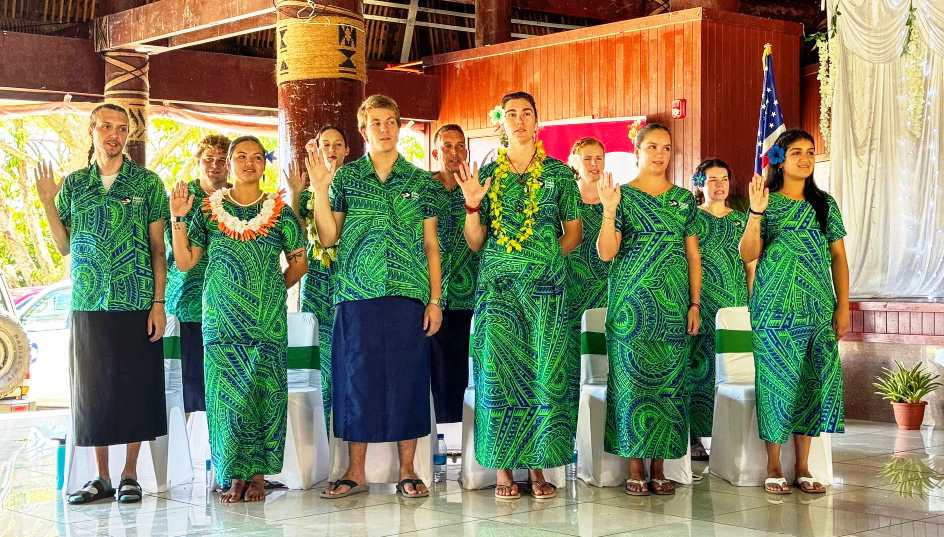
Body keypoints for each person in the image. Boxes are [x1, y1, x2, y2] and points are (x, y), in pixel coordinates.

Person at [307, 94, 443, 499]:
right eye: (375, 123)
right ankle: (355, 470)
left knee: (408, 380)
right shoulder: (346, 179)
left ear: (399, 126)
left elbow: (432, 245)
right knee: (356, 381)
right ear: (363, 131)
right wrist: (318, 189)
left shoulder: (421, 182)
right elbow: (329, 236)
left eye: (390, 121)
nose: (383, 129)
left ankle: (408, 469)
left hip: (408, 294)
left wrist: (436, 300)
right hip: (356, 293)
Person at [35, 103, 169, 504]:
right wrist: (46, 201)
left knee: (136, 387)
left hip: (136, 301)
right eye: (107, 126)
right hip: (88, 302)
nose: (114, 134)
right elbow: (63, 246)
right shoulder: (74, 185)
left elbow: (158, 250)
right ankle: (102, 477)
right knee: (94, 391)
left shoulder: (147, 183)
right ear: (91, 130)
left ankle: (130, 474)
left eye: (122, 128)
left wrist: (158, 303)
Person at [456, 91, 582, 500]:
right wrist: (472, 206)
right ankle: (504, 472)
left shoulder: (560, 174)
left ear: (537, 120)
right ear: (502, 122)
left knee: (543, 374)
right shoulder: (488, 172)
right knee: (498, 376)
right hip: (498, 291)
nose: (520, 120)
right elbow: (475, 243)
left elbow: (574, 232)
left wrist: (541, 261)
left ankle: (539, 467)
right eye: (512, 114)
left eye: (527, 112)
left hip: (546, 292)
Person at [170, 136, 307, 503]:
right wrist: (178, 219)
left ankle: (258, 476)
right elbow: (185, 262)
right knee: (225, 398)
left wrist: (272, 290)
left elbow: (299, 261)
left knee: (264, 394)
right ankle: (233, 476)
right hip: (220, 320)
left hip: (266, 323)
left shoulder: (280, 211)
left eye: (257, 157)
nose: (249, 163)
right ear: (229, 164)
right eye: (241, 157)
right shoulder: (207, 210)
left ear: (265, 164)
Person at [739, 129, 849, 495]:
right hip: (774, 308)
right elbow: (748, 253)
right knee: (777, 383)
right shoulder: (765, 201)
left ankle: (803, 465)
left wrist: (843, 305)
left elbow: (838, 257)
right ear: (780, 161)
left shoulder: (825, 204)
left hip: (818, 307)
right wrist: (755, 212)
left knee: (811, 383)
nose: (805, 158)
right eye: (797, 152)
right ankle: (773, 463)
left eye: (810, 152)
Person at [596, 122, 701, 496]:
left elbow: (692, 254)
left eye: (667, 148)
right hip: (630, 306)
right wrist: (608, 211)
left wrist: (694, 303)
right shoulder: (620, 196)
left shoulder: (685, 199)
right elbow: (606, 252)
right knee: (631, 383)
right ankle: (634, 466)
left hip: (673, 305)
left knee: (670, 384)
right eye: (653, 147)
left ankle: (660, 465)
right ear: (637, 151)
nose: (660, 154)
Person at [687, 158, 753, 460]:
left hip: (735, 303)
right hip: (701, 303)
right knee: (698, 370)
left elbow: (750, 265)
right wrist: (692, 303)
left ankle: (729, 435)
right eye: (712, 179)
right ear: (701, 184)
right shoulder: (691, 219)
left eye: (724, 178)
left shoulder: (742, 220)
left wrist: (751, 305)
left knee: (732, 368)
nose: (719, 185)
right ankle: (694, 437)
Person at [287, 125, 351, 433]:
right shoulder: (309, 192)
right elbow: (297, 233)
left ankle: (348, 428)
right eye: (326, 144)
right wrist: (297, 191)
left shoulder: (354, 185)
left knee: (350, 355)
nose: (332, 149)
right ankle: (322, 433)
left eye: (338, 144)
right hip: (316, 282)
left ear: (347, 150)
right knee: (322, 358)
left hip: (348, 278)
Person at [165, 134, 231, 417]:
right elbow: (175, 251)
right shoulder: (182, 198)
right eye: (208, 160)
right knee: (186, 393)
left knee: (222, 392)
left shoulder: (236, 198)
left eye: (220, 160)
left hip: (227, 308)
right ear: (198, 161)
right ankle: (183, 458)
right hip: (187, 305)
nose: (214, 166)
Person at [428, 124, 478, 424]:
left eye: (460, 146)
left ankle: (465, 442)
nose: (454, 152)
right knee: (436, 371)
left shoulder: (476, 187)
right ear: (436, 152)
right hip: (432, 294)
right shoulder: (423, 186)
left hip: (470, 292)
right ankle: (438, 443)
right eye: (447, 146)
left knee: (465, 370)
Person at [565, 137, 610, 374]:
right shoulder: (566, 197)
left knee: (602, 359)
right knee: (572, 357)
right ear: (575, 162)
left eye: (599, 158)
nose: (594, 164)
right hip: (570, 285)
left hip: (606, 286)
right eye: (588, 159)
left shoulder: (614, 198)